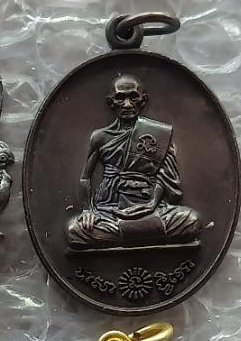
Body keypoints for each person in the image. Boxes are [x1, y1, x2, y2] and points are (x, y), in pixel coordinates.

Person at [66, 74, 201, 247]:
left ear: (143, 101)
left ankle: (128, 235)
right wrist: (87, 210)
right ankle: (146, 235)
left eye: (133, 97)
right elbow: (85, 178)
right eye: (120, 98)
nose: (128, 104)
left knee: (191, 220)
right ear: (111, 103)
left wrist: (152, 204)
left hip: (150, 208)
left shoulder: (158, 134)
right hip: (109, 210)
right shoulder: (100, 137)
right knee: (75, 231)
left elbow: (165, 177)